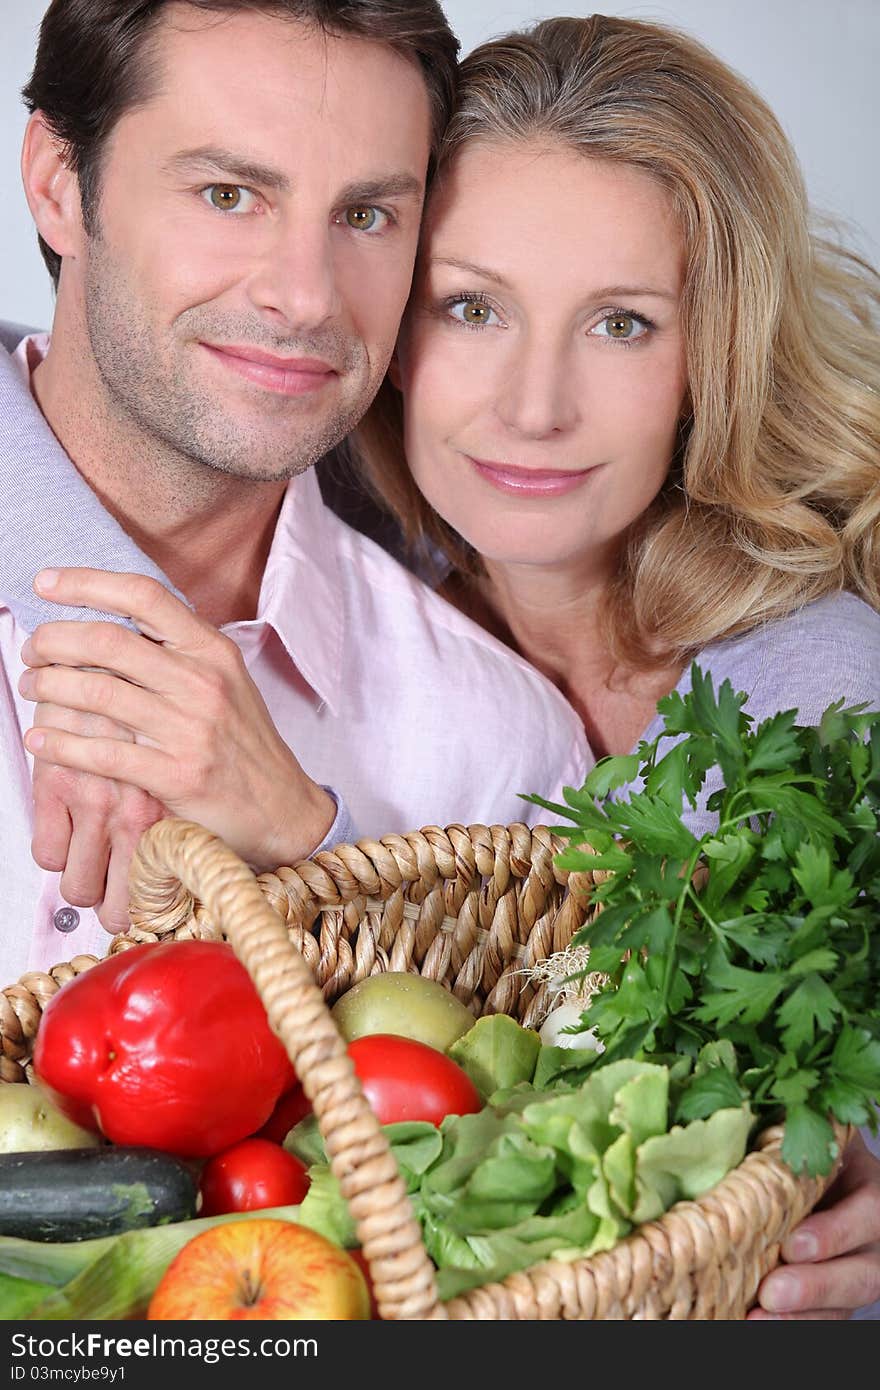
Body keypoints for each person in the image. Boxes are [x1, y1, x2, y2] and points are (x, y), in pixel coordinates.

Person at [4, 11, 880, 1318]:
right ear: (57, 183)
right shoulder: (340, 497)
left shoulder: (619, 726)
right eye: (470, 306)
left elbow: (510, 1161)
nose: (534, 406)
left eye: (625, 324)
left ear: (719, 352)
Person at [0, 0, 592, 980]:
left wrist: (318, 850)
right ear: (59, 183)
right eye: (230, 194)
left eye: (366, 216)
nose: (307, 295)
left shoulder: (499, 749)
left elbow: (516, 1110)